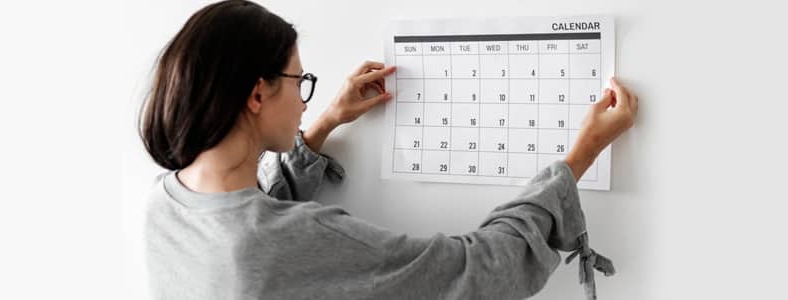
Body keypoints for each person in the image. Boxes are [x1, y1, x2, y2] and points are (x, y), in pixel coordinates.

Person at [140, 1, 638, 299]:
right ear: (256, 94)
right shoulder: (283, 241)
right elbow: (479, 273)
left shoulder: (167, 203)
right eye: (299, 81)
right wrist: (580, 156)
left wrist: (324, 124)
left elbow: (254, 216)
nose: (304, 97)